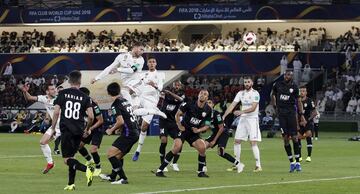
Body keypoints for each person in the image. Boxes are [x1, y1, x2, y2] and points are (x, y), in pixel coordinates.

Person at [51, 70, 95, 190]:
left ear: (69, 81)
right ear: (80, 81)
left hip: (67, 130)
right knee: (72, 157)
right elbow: (91, 116)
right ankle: (71, 184)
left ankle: (88, 170)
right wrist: (87, 129)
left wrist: (53, 128)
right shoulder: (85, 97)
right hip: (79, 130)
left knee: (67, 160)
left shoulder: (63, 93)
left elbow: (56, 112)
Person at [154, 90, 212, 178]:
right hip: (183, 130)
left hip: (193, 133)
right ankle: (160, 170)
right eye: (200, 93)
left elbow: (207, 125)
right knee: (177, 147)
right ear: (198, 95)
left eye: (204, 94)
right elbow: (177, 115)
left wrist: (199, 130)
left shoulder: (208, 110)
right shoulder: (189, 104)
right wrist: (179, 125)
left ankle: (200, 172)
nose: (202, 95)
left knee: (202, 147)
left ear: (207, 98)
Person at [99, 82, 139, 184]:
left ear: (109, 93)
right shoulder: (124, 100)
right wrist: (120, 129)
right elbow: (126, 118)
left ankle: (123, 178)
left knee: (110, 154)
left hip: (129, 133)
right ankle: (112, 176)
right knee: (118, 156)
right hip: (134, 131)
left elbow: (120, 121)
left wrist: (111, 130)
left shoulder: (115, 104)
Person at [222, 77, 262, 173]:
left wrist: (241, 111)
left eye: (248, 82)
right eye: (245, 82)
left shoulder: (255, 93)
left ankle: (258, 165)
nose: (247, 84)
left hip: (252, 119)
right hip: (243, 119)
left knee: (253, 142)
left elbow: (253, 108)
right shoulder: (240, 93)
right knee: (237, 141)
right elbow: (232, 105)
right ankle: (237, 164)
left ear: (252, 83)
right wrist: (224, 116)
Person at [20, 83, 60, 174]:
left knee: (76, 147)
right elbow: (29, 98)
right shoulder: (44, 98)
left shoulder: (60, 98)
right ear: (47, 91)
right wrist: (25, 92)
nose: (55, 91)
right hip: (55, 126)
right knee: (42, 142)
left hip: (64, 126)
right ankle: (50, 163)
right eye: (52, 89)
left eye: (55, 89)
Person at [132, 57, 166, 161]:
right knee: (133, 108)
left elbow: (161, 88)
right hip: (141, 98)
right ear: (147, 64)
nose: (151, 63)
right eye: (150, 62)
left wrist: (154, 85)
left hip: (151, 101)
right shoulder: (143, 74)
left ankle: (138, 150)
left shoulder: (160, 75)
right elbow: (137, 87)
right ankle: (152, 111)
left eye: (153, 62)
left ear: (156, 64)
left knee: (144, 127)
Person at [271, 70, 306, 172]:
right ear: (284, 75)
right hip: (281, 115)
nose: (288, 76)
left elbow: (299, 101)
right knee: (286, 138)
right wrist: (274, 106)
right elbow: (273, 95)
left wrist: (301, 114)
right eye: (286, 75)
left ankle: (298, 162)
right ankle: (292, 162)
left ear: (292, 76)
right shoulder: (277, 85)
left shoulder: (295, 87)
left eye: (290, 75)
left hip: (291, 114)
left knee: (295, 138)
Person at [204, 99, 241, 172]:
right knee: (202, 147)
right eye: (207, 103)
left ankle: (238, 164)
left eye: (210, 102)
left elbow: (221, 128)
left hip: (223, 132)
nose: (208, 104)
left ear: (213, 105)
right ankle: (203, 167)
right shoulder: (206, 114)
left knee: (220, 152)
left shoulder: (216, 114)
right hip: (215, 133)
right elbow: (207, 126)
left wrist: (214, 141)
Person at [157, 80, 185, 171]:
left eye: (178, 85)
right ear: (173, 86)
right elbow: (160, 95)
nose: (177, 86)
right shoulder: (166, 92)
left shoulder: (182, 94)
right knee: (164, 140)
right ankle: (162, 163)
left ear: (180, 86)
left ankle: (174, 163)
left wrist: (170, 93)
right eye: (175, 85)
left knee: (179, 142)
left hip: (173, 122)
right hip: (163, 120)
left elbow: (181, 100)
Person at [78, 87, 104, 176]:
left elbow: (100, 120)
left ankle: (98, 167)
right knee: (79, 146)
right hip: (88, 127)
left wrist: (89, 129)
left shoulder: (94, 105)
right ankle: (90, 161)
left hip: (97, 129)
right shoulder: (80, 104)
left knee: (93, 149)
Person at [298, 86, 317, 162]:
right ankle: (299, 156)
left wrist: (307, 120)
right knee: (298, 138)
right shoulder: (296, 101)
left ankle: (309, 156)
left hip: (308, 122)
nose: (302, 92)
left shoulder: (309, 101)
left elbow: (315, 112)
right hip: (299, 122)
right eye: (301, 91)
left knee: (308, 136)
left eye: (303, 91)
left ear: (306, 92)